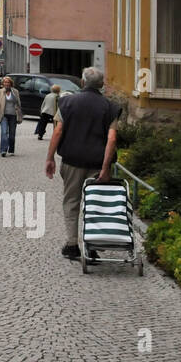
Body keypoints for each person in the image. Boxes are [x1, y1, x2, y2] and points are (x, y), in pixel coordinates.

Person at [44, 67, 121, 261]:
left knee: (71, 202)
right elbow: (111, 139)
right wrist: (105, 167)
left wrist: (50, 158)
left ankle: (72, 244)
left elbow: (58, 132)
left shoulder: (67, 102)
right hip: (97, 163)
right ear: (102, 85)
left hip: (72, 161)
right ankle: (92, 244)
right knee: (94, 203)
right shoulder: (109, 107)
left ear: (82, 82)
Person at [0, 75, 24, 155]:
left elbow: (18, 104)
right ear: (3, 83)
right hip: (3, 115)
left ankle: (11, 150)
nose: (6, 83)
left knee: (12, 134)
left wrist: (20, 116)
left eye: (8, 82)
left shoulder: (15, 91)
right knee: (4, 132)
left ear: (11, 83)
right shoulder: (0, 92)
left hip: (13, 115)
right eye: (5, 82)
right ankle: (3, 150)